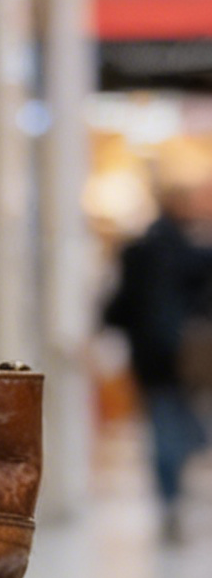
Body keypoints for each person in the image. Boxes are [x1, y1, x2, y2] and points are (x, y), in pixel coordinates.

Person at [102, 170, 212, 543]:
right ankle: (173, 494)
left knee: (166, 426)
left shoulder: (139, 250)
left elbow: (117, 307)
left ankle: (171, 496)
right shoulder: (193, 253)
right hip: (185, 357)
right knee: (178, 425)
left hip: (153, 357)